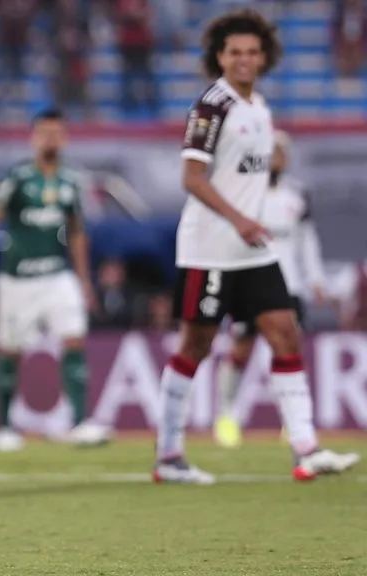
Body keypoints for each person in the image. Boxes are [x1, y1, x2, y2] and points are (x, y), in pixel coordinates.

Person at [153, 8, 359, 484]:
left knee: (285, 333)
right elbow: (191, 177)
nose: (243, 60)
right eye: (234, 52)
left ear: (264, 56)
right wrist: (242, 218)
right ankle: (169, 453)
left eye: (251, 52)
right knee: (196, 344)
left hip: (253, 250)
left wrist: (252, 224)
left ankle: (306, 448)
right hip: (209, 250)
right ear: (219, 57)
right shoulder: (211, 107)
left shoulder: (260, 108)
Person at [0, 107, 110, 451]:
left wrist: (84, 279)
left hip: (57, 276)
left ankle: (78, 422)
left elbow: (77, 232)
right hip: (18, 279)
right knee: (11, 350)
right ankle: (4, 427)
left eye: (57, 132)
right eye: (45, 132)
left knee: (74, 339)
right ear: (34, 137)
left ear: (65, 137)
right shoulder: (16, 178)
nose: (51, 139)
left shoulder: (70, 181)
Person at [213, 129, 327, 448]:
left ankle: (293, 422)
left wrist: (316, 279)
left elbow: (308, 241)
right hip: (252, 281)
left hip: (290, 285)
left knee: (288, 351)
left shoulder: (298, 196)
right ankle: (226, 414)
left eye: (281, 153)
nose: (277, 158)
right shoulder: (248, 195)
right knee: (241, 350)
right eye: (272, 152)